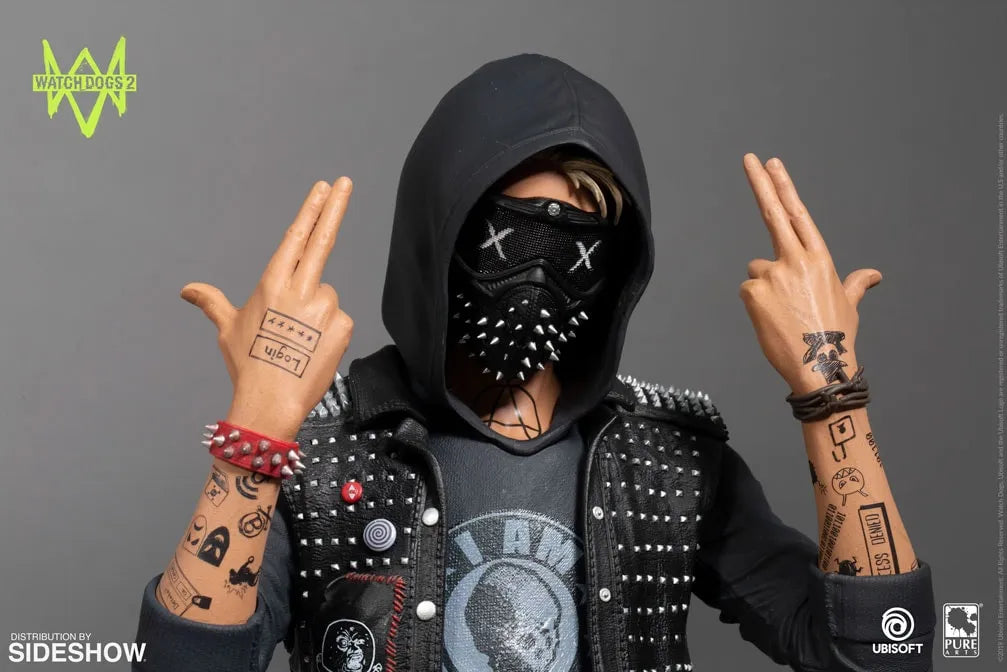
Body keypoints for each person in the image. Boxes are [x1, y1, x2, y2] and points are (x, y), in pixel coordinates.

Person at [133, 53, 936, 672]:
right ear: (437, 236)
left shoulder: (669, 461)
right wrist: (258, 430)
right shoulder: (321, 451)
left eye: (576, 247)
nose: (539, 276)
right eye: (508, 236)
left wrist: (831, 392)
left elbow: (883, 655)